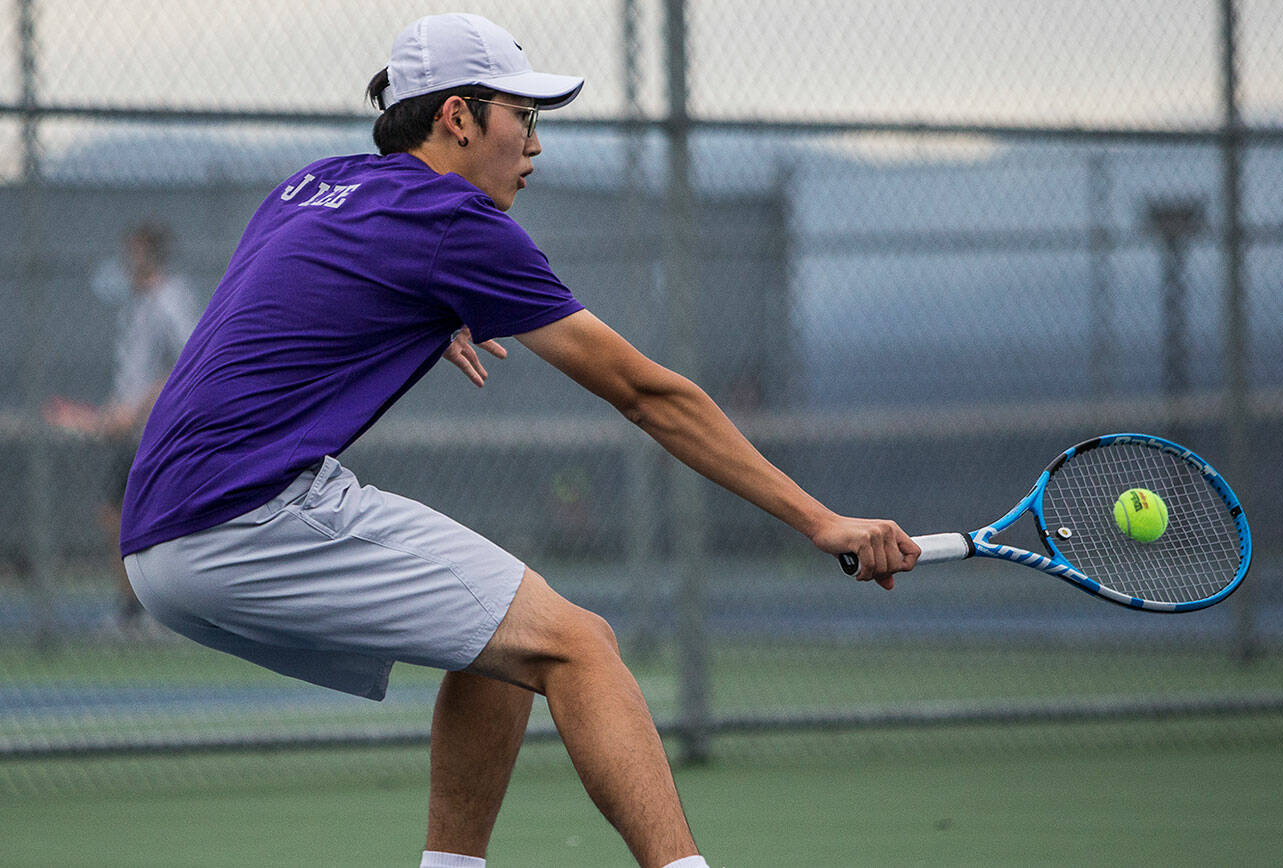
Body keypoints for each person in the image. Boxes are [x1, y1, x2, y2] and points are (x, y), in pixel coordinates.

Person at [118, 13, 919, 868]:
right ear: (458, 118)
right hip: (244, 514)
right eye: (522, 117)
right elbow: (648, 395)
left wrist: (425, 312)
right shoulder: (453, 222)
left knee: (498, 647)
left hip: (158, 534)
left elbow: (286, 304)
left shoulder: (316, 184)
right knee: (581, 644)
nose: (535, 144)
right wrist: (819, 521)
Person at [45, 221, 196, 633]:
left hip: (158, 433)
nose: (129, 260)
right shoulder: (136, 304)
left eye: (136, 252)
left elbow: (183, 363)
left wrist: (136, 412)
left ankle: (151, 612)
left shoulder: (170, 300)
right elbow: (133, 378)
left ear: (151, 253)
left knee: (133, 520)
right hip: (131, 434)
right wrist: (111, 414)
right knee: (117, 519)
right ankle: (135, 612)